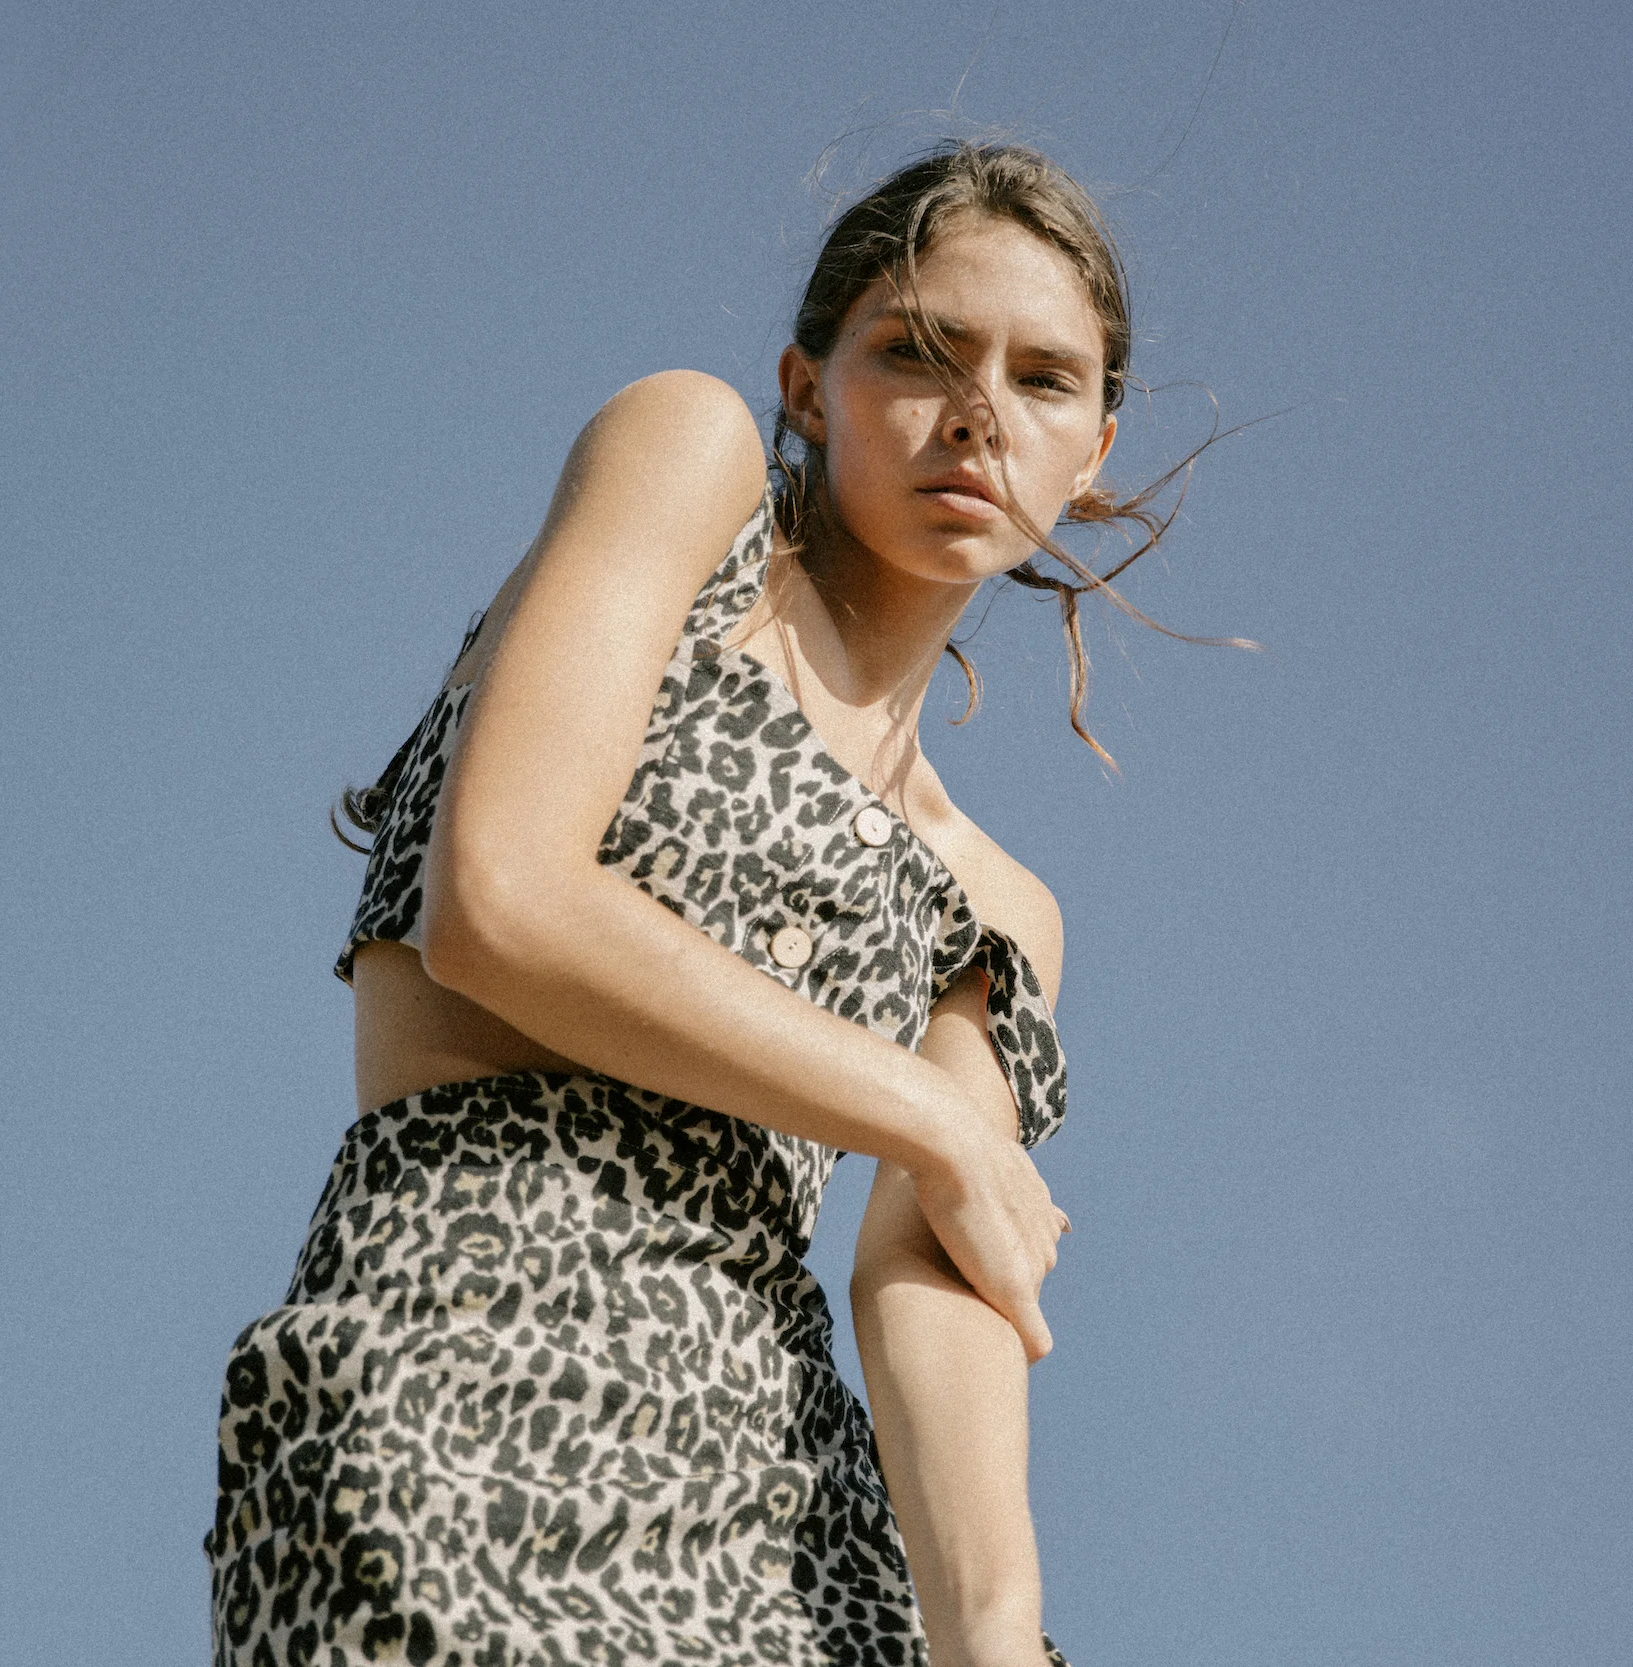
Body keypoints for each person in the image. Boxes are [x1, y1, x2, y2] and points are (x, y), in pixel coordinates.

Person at [207, 140, 1221, 1667]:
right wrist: (932, 1117)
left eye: (1043, 379)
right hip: (462, 1369)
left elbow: (931, 1276)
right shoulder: (693, 469)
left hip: (783, 1512)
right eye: (917, 352)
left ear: (1094, 449)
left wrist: (998, 1636)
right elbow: (501, 900)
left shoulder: (997, 908)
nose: (976, 414)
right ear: (807, 388)